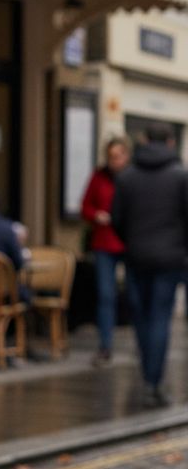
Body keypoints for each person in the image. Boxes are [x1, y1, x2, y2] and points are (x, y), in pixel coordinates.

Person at [111, 122, 188, 407]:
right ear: (170, 142)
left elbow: (116, 219)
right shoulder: (180, 176)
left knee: (142, 318)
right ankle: (153, 383)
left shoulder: (127, 177)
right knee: (159, 318)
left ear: (144, 140)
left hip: (137, 257)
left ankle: (148, 376)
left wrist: (132, 241)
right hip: (169, 259)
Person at [81, 136, 130, 365]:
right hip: (104, 243)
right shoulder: (98, 177)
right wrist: (96, 215)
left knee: (135, 294)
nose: (114, 160)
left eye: (118, 156)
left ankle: (143, 344)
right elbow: (85, 206)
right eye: (111, 156)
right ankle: (105, 345)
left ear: (126, 156)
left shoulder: (133, 178)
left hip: (129, 243)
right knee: (105, 295)